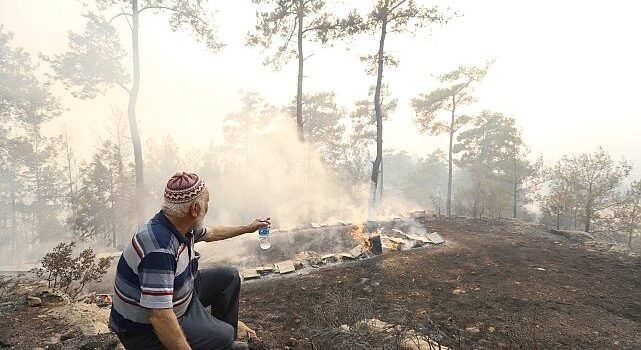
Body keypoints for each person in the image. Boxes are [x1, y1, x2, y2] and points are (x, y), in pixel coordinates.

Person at [108, 172, 269, 350]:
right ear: (195, 209)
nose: (208, 206)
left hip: (180, 296)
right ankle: (221, 340)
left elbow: (213, 233)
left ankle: (222, 342)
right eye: (206, 202)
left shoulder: (180, 225)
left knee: (229, 277)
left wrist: (248, 228)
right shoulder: (159, 248)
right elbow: (159, 316)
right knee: (223, 335)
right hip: (144, 331)